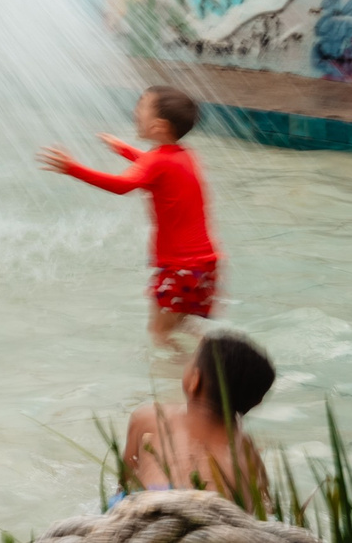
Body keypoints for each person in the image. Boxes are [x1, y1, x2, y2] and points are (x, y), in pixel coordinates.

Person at [40, 85, 220, 346]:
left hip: (179, 268)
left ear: (158, 126)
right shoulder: (186, 155)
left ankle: (177, 379)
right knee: (183, 322)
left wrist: (73, 169)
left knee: (159, 332)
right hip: (204, 266)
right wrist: (124, 149)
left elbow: (122, 185)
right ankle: (218, 350)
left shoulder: (156, 161)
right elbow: (155, 168)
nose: (135, 111)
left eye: (141, 107)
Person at [120, 331, 275, 500]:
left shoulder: (150, 417)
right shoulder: (247, 450)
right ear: (256, 402)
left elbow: (124, 484)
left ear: (195, 380)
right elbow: (264, 503)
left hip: (155, 499)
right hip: (221, 516)